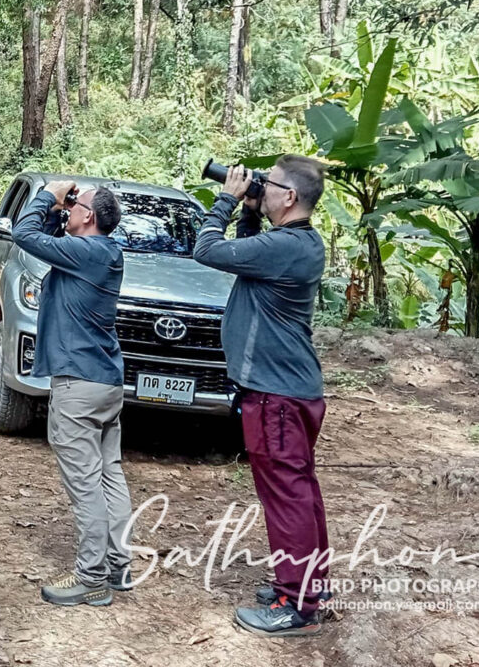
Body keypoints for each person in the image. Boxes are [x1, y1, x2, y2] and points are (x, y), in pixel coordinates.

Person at [192, 156, 330, 637]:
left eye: (268, 184)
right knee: (300, 492)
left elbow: (207, 250)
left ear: (289, 196)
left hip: (277, 395)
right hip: (291, 390)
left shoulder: (288, 246)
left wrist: (225, 200)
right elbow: (249, 254)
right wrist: (250, 209)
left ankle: (298, 603)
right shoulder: (295, 244)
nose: (261, 187)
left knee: (286, 497)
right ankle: (312, 586)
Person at [11, 179, 135, 607]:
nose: (69, 208)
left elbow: (24, 235)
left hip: (79, 386)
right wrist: (57, 211)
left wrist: (48, 195)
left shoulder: (86, 252)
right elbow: (42, 237)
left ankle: (91, 578)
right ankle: (117, 564)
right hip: (104, 381)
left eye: (75, 205)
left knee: (85, 484)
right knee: (108, 474)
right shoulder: (100, 253)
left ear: (90, 216)